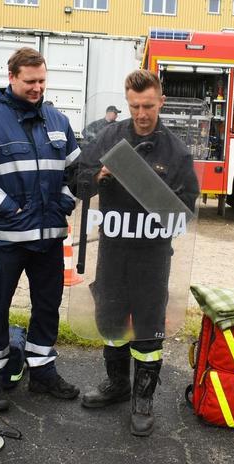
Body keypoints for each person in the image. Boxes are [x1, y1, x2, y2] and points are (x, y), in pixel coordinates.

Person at [76, 69, 199, 436]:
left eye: (148, 106)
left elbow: (188, 208)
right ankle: (116, 384)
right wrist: (98, 176)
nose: (142, 114)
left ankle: (142, 399)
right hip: (113, 251)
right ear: (126, 102)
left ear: (161, 101)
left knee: (147, 329)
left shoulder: (176, 150)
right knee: (111, 323)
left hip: (153, 255)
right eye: (134, 106)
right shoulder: (108, 139)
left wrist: (163, 199)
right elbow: (77, 183)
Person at [0, 47, 81, 408]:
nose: (37, 88)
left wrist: (64, 200)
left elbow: (74, 172)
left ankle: (42, 372)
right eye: (30, 81)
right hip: (8, 239)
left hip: (49, 237)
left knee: (47, 305)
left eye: (42, 80)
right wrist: (9, 210)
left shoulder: (57, 120)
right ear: (11, 78)